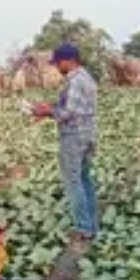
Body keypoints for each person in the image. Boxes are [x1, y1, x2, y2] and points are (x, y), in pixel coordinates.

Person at [34, 43, 99, 243]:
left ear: (68, 61)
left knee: (73, 182)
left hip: (74, 137)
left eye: (58, 63)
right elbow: (74, 107)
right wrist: (52, 107)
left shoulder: (75, 81)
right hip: (88, 135)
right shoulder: (86, 78)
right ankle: (92, 223)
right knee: (84, 179)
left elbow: (69, 113)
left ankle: (84, 228)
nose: (57, 67)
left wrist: (47, 112)